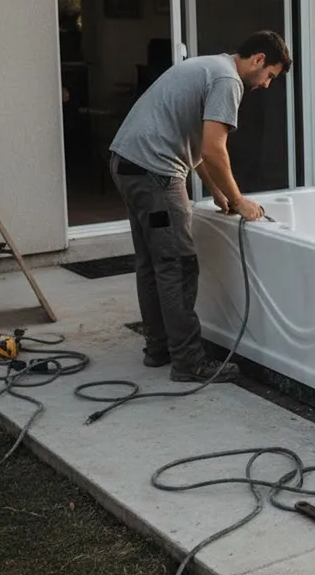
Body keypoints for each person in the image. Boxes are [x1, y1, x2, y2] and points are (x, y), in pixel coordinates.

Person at [109, 31, 292, 383]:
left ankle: (159, 348)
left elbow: (194, 142)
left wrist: (216, 190)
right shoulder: (228, 80)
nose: (267, 85)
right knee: (178, 265)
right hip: (156, 173)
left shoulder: (209, 66)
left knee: (153, 263)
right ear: (257, 60)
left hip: (128, 165)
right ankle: (189, 361)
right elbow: (213, 148)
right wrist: (239, 201)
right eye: (270, 75)